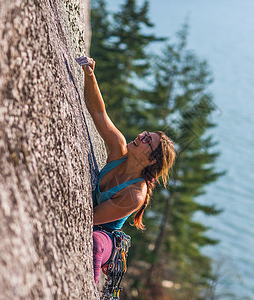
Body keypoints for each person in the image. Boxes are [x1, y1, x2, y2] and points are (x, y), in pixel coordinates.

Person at [76, 56, 176, 284]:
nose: (140, 135)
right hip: (96, 224)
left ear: (152, 160)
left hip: (105, 236)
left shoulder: (134, 195)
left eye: (146, 140)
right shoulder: (118, 151)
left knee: (95, 242)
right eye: (145, 133)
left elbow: (90, 219)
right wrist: (90, 74)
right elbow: (99, 113)